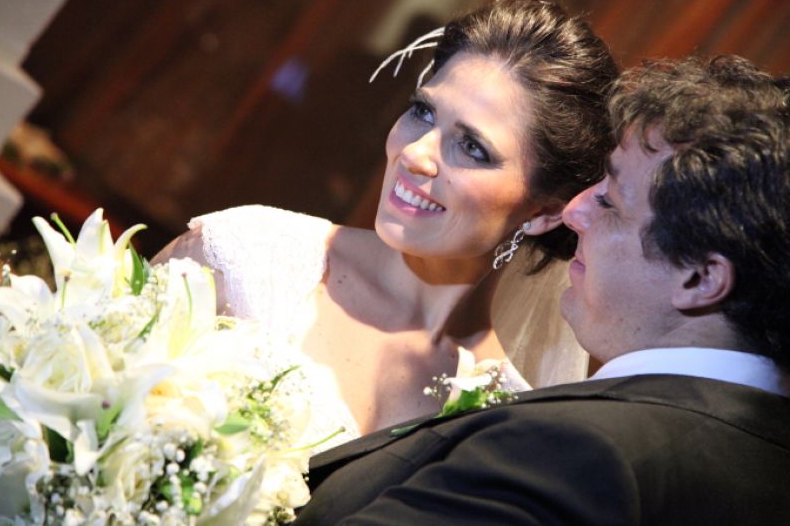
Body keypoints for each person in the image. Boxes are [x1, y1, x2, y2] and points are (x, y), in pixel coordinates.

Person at [293, 55, 790, 524]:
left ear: (701, 279)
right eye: (423, 111)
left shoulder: (578, 449)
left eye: (611, 201)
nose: (575, 211)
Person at [153, 0, 618, 444]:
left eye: (472, 147)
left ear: (544, 212)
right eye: (423, 112)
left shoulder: (501, 418)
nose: (415, 154)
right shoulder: (243, 261)